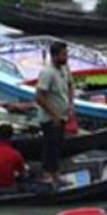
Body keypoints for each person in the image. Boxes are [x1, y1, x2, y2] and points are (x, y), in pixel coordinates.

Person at [35, 40, 74, 185]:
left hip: (62, 115)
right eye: (63, 55)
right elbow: (39, 96)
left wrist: (70, 104)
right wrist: (53, 115)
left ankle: (56, 174)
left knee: (58, 146)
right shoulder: (48, 73)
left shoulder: (65, 68)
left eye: (66, 54)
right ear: (54, 56)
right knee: (49, 147)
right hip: (50, 118)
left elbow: (70, 85)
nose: (66, 57)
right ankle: (48, 174)